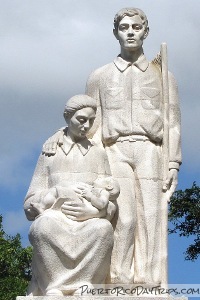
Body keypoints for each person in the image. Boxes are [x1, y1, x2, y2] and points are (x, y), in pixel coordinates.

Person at [42, 8, 182, 285]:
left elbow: (172, 122)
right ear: (115, 32)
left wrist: (173, 163)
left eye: (136, 27)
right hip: (112, 149)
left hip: (150, 149)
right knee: (123, 218)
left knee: (152, 218)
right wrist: (60, 134)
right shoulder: (100, 76)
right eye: (124, 27)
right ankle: (119, 279)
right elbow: (86, 120)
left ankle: (149, 281)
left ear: (146, 31)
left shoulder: (163, 77)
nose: (130, 31)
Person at [24, 95, 117, 296]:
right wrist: (46, 200)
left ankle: (85, 285)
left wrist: (92, 212)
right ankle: (55, 286)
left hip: (89, 219)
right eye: (81, 119)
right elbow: (30, 201)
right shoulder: (50, 152)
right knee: (41, 227)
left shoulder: (98, 154)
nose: (86, 126)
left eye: (91, 121)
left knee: (103, 229)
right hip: (56, 217)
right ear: (67, 117)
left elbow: (110, 201)